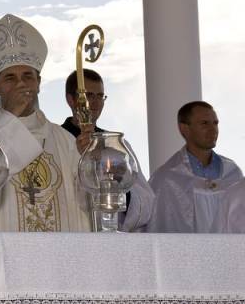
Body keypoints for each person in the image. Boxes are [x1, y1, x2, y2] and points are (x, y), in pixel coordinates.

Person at [0, 14, 91, 232]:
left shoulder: (64, 140)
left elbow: (86, 205)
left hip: (59, 251)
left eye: (28, 76)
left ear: (39, 83)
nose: (21, 84)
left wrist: (90, 162)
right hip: (2, 251)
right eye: (10, 78)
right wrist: (12, 116)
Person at [60, 69, 155, 231]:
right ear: (71, 100)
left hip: (107, 234)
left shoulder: (116, 145)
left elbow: (145, 203)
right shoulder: (55, 140)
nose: (96, 102)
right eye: (89, 95)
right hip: (67, 232)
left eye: (100, 96)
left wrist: (115, 183)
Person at [147, 101, 242, 233]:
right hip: (185, 247)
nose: (213, 129)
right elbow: (157, 227)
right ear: (184, 128)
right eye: (204, 123)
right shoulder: (166, 179)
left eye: (215, 123)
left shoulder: (233, 173)